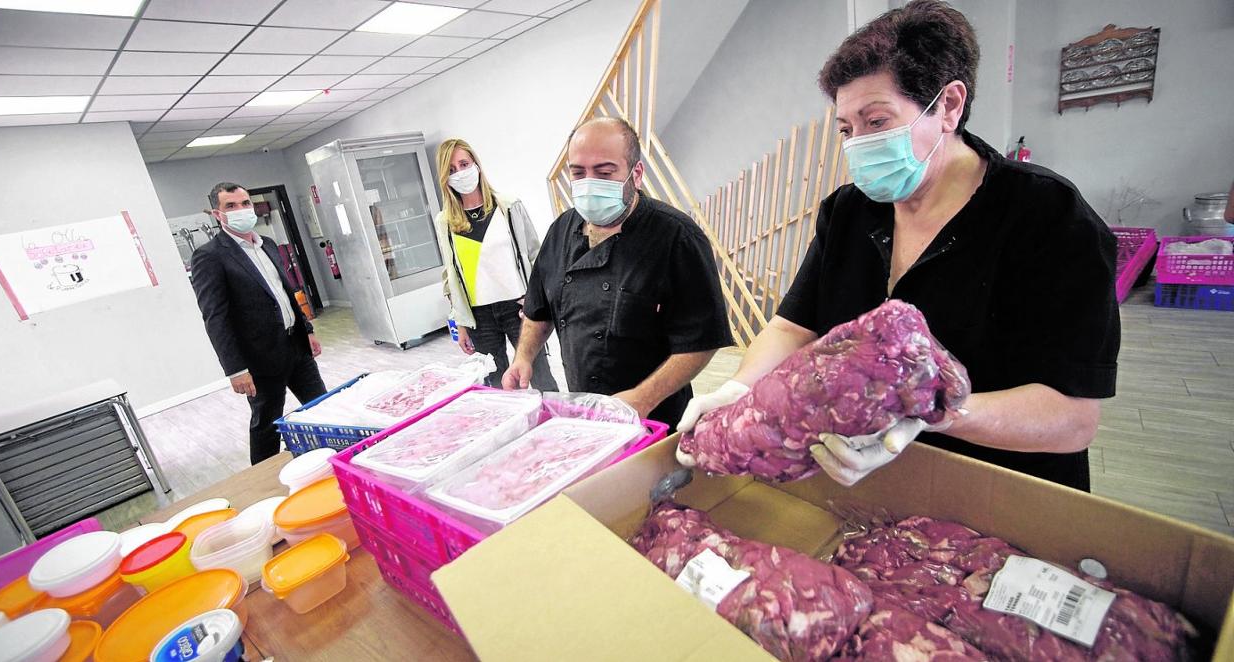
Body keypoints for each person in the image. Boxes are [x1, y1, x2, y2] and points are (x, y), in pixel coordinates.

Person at [678, 0, 1120, 492]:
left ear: (948, 105)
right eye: (847, 129)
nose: (857, 144)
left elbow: (1073, 417)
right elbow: (792, 326)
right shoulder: (850, 212)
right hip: (868, 488)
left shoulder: (1048, 216)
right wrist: (740, 388)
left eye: (877, 122)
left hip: (1002, 490)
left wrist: (936, 414)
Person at [502, 118, 734, 430]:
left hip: (655, 418)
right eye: (578, 173)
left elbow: (701, 341)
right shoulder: (560, 231)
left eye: (604, 172)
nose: (588, 183)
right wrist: (523, 357)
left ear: (635, 174)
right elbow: (538, 310)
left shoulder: (676, 238)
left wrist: (642, 398)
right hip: (586, 410)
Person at [191, 182, 327, 464]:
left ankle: (336, 458)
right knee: (267, 424)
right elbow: (215, 317)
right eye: (231, 206)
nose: (241, 210)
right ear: (217, 214)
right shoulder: (210, 256)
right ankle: (262, 478)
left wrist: (307, 330)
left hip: (296, 345)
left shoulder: (268, 244)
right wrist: (235, 370)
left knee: (324, 406)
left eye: (245, 203)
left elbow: (286, 294)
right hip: (260, 359)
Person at [432, 138, 558, 390]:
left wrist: (536, 302)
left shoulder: (509, 207)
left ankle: (555, 415)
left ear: (476, 165)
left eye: (464, 164)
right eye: (451, 170)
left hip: (518, 308)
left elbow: (536, 256)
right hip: (479, 317)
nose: (460, 173)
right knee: (496, 386)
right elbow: (451, 275)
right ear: (445, 178)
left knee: (540, 378)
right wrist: (460, 323)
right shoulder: (445, 221)